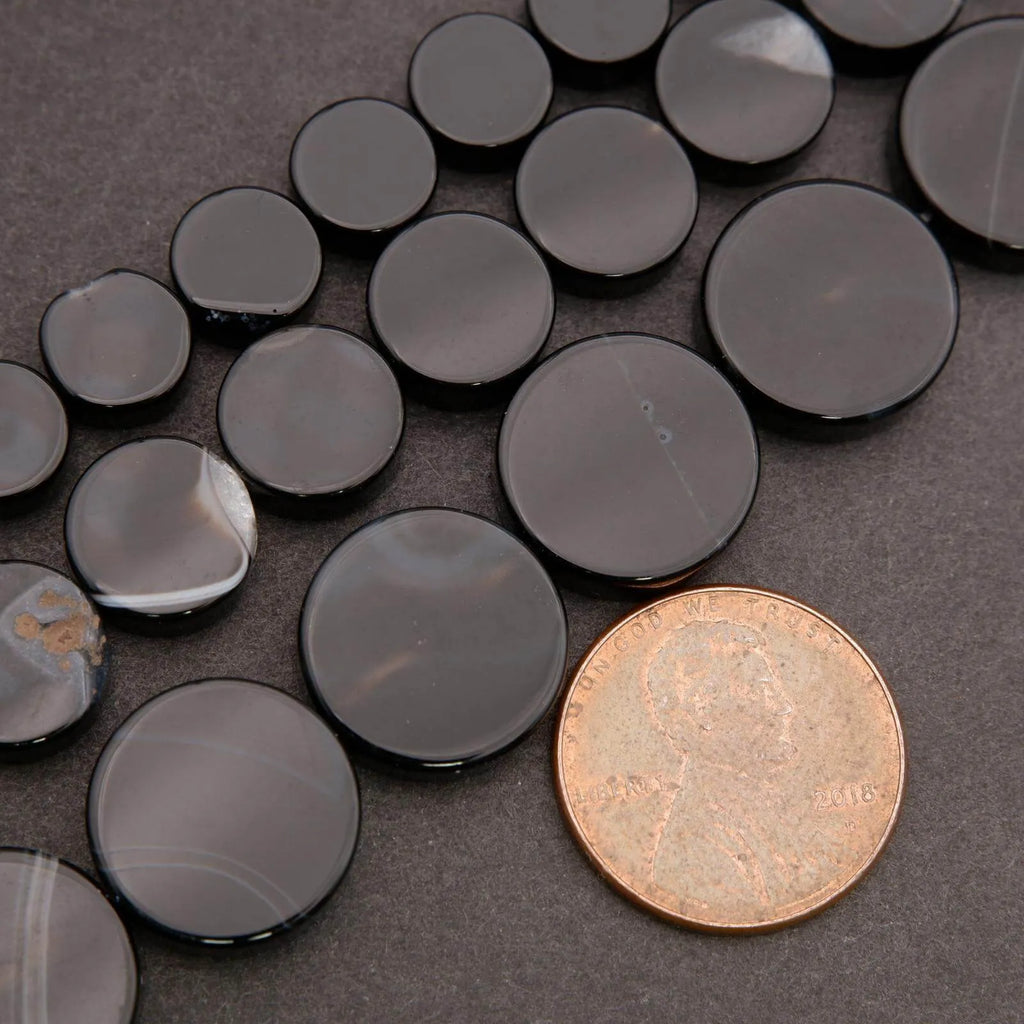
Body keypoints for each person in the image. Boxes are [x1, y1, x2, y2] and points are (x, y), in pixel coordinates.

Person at [643, 619, 801, 912]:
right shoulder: (697, 850)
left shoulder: (766, 811)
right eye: (761, 688)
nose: (784, 706)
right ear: (702, 709)